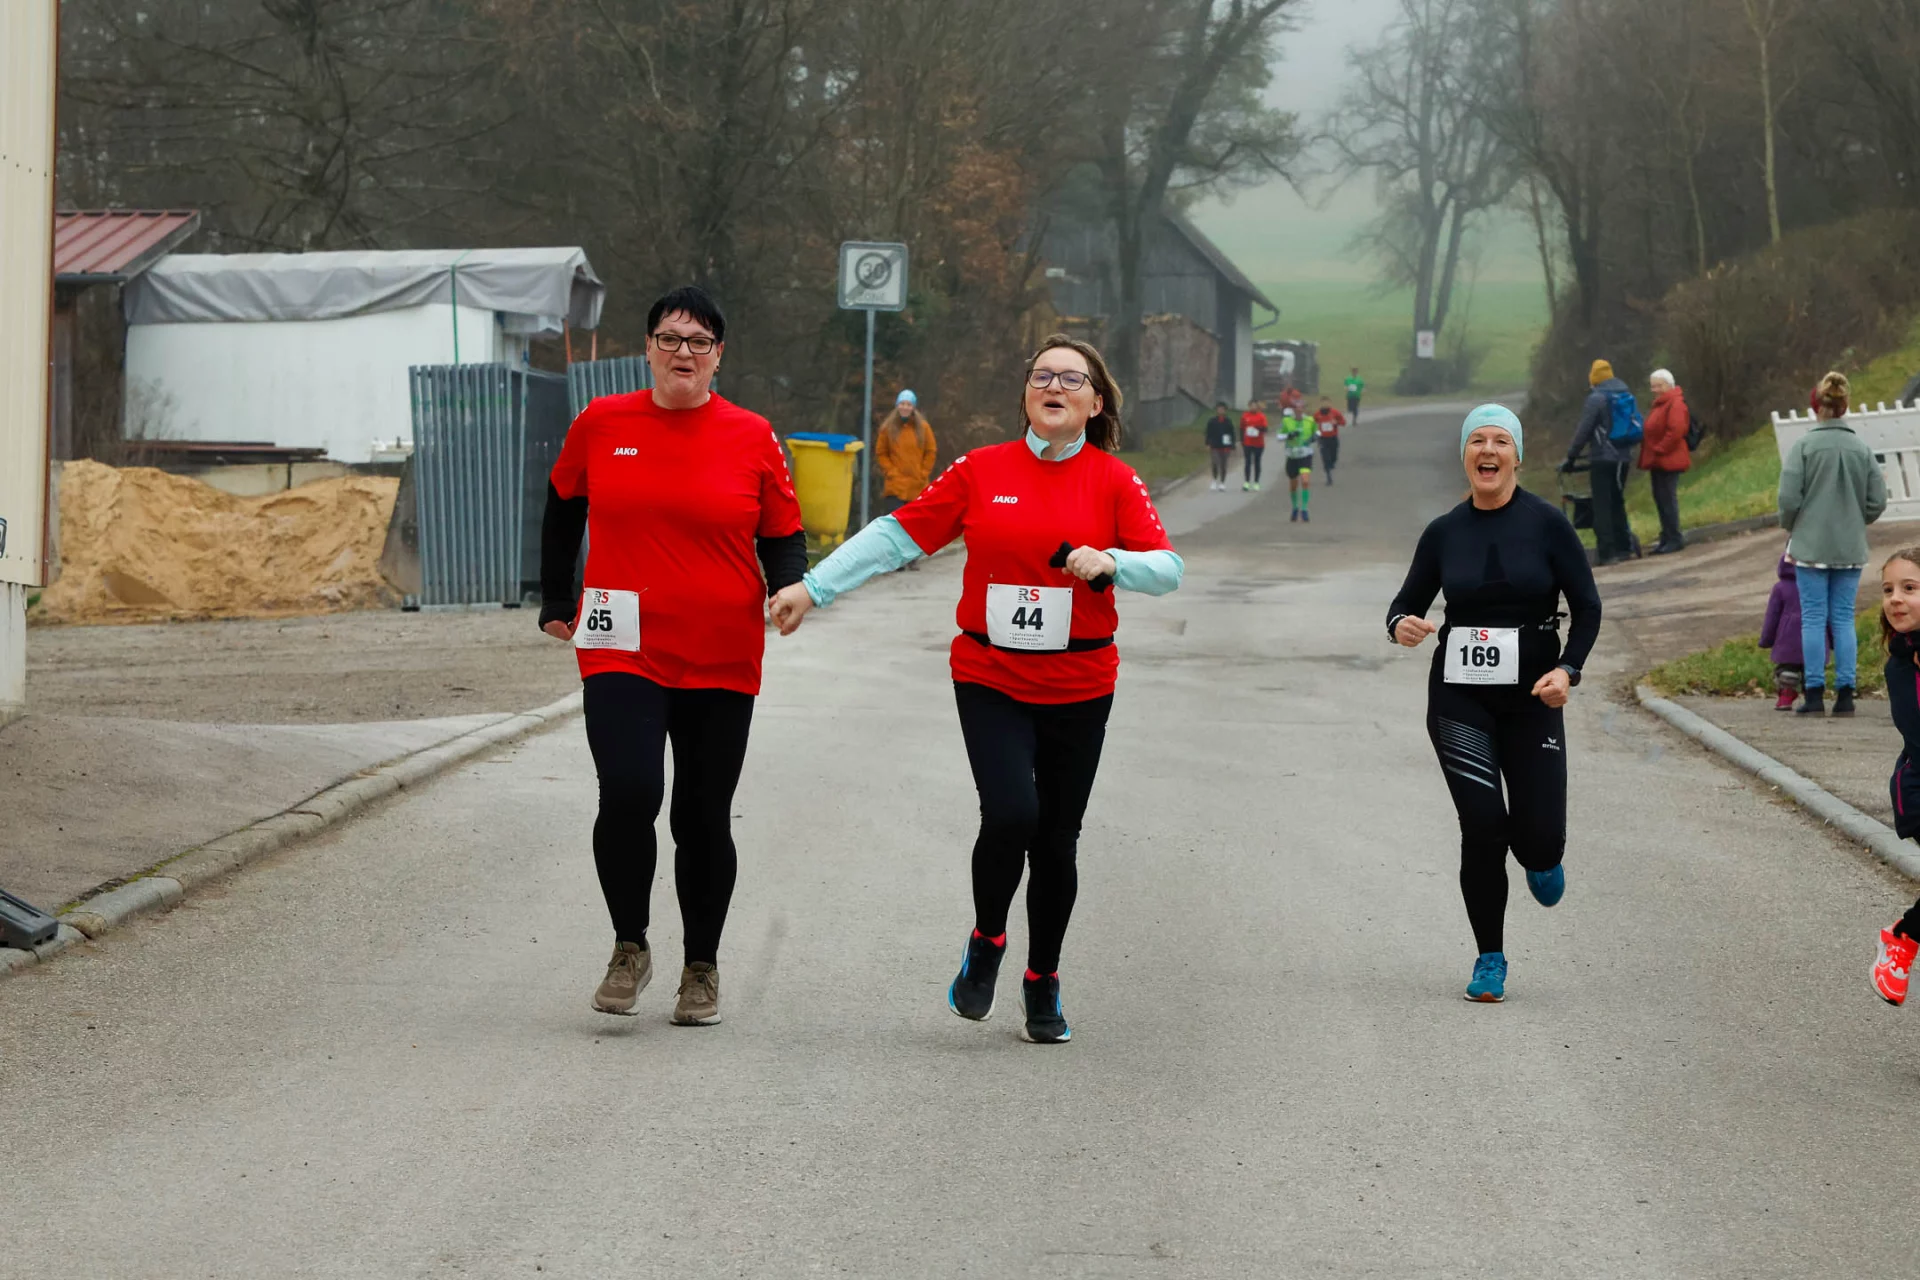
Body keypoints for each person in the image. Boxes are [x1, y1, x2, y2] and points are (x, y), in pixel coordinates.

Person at [767, 334, 1184, 1045]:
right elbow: (897, 535)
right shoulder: (983, 470)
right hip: (991, 676)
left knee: (1057, 840)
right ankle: (988, 940)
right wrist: (813, 588)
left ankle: (1042, 979)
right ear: (1026, 392)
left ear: (1095, 402)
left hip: (1081, 682)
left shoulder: (1114, 480)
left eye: (1071, 379)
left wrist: (1113, 561)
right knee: (1012, 812)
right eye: (1042, 375)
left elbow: (1168, 569)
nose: (1054, 387)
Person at [539, 284, 807, 1026]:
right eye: (669, 338)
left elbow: (783, 531)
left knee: (701, 813)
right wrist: (556, 598)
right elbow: (564, 504)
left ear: (718, 355)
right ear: (648, 348)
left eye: (698, 341)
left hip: (721, 649)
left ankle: (701, 966)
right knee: (628, 792)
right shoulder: (602, 422)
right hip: (620, 642)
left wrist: (790, 587)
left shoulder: (752, 435)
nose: (682, 351)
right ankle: (630, 946)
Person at [1386, 404, 1601, 1004]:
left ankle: (1542, 855)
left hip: (1533, 698)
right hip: (1459, 699)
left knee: (1537, 842)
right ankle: (1490, 959)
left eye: (1500, 441)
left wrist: (1568, 669)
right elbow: (1404, 604)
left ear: (1517, 456)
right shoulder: (1444, 532)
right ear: (1465, 456)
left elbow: (1587, 607)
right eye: (1477, 441)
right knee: (1482, 826)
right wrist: (1401, 625)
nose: (1488, 450)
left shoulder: (1548, 524)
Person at [1778, 371, 1887, 717]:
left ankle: (1813, 694)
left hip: (1811, 546)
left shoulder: (1804, 447)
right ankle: (1845, 694)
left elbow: (1788, 499)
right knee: (1843, 618)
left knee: (1813, 617)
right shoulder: (1861, 449)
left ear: (1817, 407)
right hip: (1849, 547)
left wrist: (1793, 526)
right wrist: (1858, 519)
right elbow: (1877, 500)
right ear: (1846, 405)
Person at [1868, 548, 1920, 1004]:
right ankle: (1902, 938)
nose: (1895, 599)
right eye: (1888, 590)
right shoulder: (1902, 664)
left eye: (1909, 588)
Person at [1561, 359, 1637, 566]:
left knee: (1601, 504)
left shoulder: (1597, 399)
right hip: (1623, 458)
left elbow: (1584, 431)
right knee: (1617, 501)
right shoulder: (1625, 394)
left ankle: (1607, 552)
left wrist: (1571, 456)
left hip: (1602, 458)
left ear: (1594, 378)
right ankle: (1624, 547)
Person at [1639, 369, 1692, 554]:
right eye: (1652, 386)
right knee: (1660, 499)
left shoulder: (1675, 403)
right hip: (1658, 459)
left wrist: (1659, 449)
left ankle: (1674, 537)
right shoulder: (1660, 404)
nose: (1654, 389)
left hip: (1669, 459)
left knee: (1667, 498)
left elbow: (1676, 430)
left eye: (1658, 385)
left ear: (1669, 385)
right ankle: (1667, 536)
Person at [1760, 554, 1814, 711]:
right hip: (1815, 637)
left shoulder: (1780, 588)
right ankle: (1813, 696)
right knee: (1812, 670)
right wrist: (1831, 639)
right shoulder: (1816, 586)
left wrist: (1766, 639)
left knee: (1787, 671)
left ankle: (1785, 697)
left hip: (1787, 639)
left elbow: (1772, 616)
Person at [874, 390, 938, 517]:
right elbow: (881, 452)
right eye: (902, 404)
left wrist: (923, 473)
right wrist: (890, 472)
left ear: (913, 407)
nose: (905, 407)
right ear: (897, 405)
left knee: (915, 524)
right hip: (895, 486)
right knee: (895, 522)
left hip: (917, 486)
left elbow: (931, 451)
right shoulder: (887, 428)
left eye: (908, 404)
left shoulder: (923, 428)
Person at [1281, 405, 1317, 522]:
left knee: (1305, 480)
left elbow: (1317, 432)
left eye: (1301, 408)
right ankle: (1295, 507)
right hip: (1292, 455)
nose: (1299, 411)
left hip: (1305, 455)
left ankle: (1304, 509)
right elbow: (1278, 436)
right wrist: (1289, 435)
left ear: (1304, 410)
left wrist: (1314, 437)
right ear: (1293, 410)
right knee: (1293, 484)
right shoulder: (1286, 421)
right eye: (1297, 409)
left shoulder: (1310, 420)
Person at [1204, 400, 1237, 491]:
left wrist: (1232, 444)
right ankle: (1214, 480)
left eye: (1222, 409)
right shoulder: (1212, 421)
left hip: (1225, 446)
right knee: (1215, 462)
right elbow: (1208, 433)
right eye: (1219, 409)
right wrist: (1207, 443)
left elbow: (1232, 433)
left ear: (1225, 410)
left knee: (1223, 464)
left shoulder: (1228, 421)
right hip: (1214, 445)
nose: (1220, 411)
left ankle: (1222, 482)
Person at [1313, 396, 1346, 485]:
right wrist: (1316, 434)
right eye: (1323, 403)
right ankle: (1328, 477)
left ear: (1330, 404)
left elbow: (1343, 422)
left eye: (1327, 403)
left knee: (1333, 457)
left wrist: (1336, 423)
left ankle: (1331, 464)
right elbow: (1313, 424)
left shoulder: (1335, 412)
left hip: (1333, 438)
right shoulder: (1317, 414)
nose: (1325, 405)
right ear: (1320, 404)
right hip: (1323, 439)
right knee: (1325, 458)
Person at [1240, 400, 1269, 491]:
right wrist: (1242, 440)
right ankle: (1247, 482)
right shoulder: (1245, 416)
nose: (1253, 407)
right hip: (1248, 443)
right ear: (1249, 406)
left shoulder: (1261, 416)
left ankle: (1256, 482)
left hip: (1258, 443)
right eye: (1251, 406)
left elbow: (1265, 429)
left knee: (1257, 462)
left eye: (1255, 406)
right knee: (1247, 462)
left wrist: (1257, 428)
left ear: (1257, 407)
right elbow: (1241, 428)